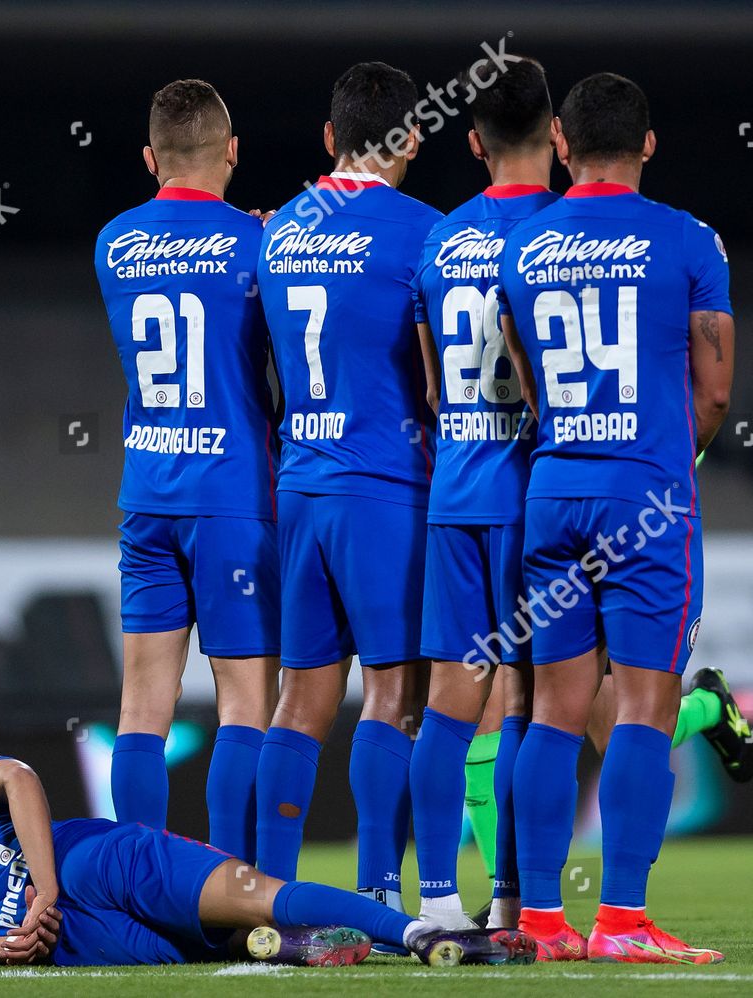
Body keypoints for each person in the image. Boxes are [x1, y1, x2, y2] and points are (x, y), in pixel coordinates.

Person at [498, 72, 734, 963]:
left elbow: (525, 379)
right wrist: (674, 461)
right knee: (641, 705)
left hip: (552, 490)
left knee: (556, 710)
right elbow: (713, 393)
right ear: (649, 144)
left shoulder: (525, 246)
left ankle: (543, 922)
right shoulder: (689, 241)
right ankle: (624, 924)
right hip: (647, 493)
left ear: (562, 143)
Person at [252, 62, 440, 940]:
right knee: (394, 694)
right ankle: (375, 894)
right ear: (408, 139)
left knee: (300, 700)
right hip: (384, 487)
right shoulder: (426, 234)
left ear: (330, 139)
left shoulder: (281, 230)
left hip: (300, 486)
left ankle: (266, 899)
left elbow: (259, 365)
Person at [92, 78, 280, 861]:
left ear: (149, 158)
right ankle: (230, 882)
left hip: (148, 494)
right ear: (233, 152)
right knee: (243, 705)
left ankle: (139, 883)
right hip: (233, 493)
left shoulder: (113, 242)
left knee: (141, 708)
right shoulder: (260, 243)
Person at [0, 754, 535, 968]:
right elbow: (17, 777)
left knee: (217, 947)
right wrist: (44, 890)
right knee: (262, 892)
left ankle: (284, 946)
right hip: (96, 863)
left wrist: (9, 946)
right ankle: (423, 934)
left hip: (78, 944)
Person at [409, 55, 557, 935]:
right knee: (531, 702)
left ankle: (435, 905)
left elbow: (430, 389)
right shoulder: (560, 234)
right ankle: (511, 899)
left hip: (454, 488)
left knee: (448, 706)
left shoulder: (440, 239)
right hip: (531, 492)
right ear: (559, 137)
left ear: (473, 143)